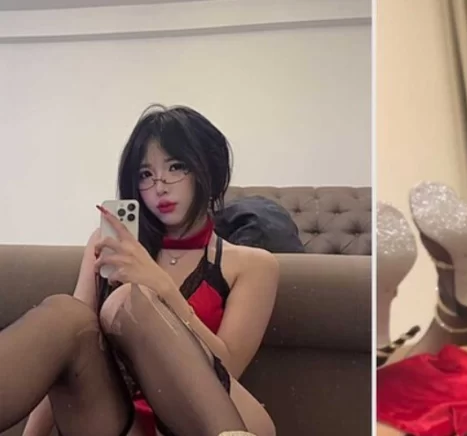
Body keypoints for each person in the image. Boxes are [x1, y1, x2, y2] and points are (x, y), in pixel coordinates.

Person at [20, 104, 279, 436]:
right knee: (65, 316)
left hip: (210, 420)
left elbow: (227, 371)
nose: (160, 186)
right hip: (124, 424)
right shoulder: (105, 246)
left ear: (208, 169)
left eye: (176, 167)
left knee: (127, 302)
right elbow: (69, 350)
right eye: (145, 174)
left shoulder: (252, 264)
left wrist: (163, 289)